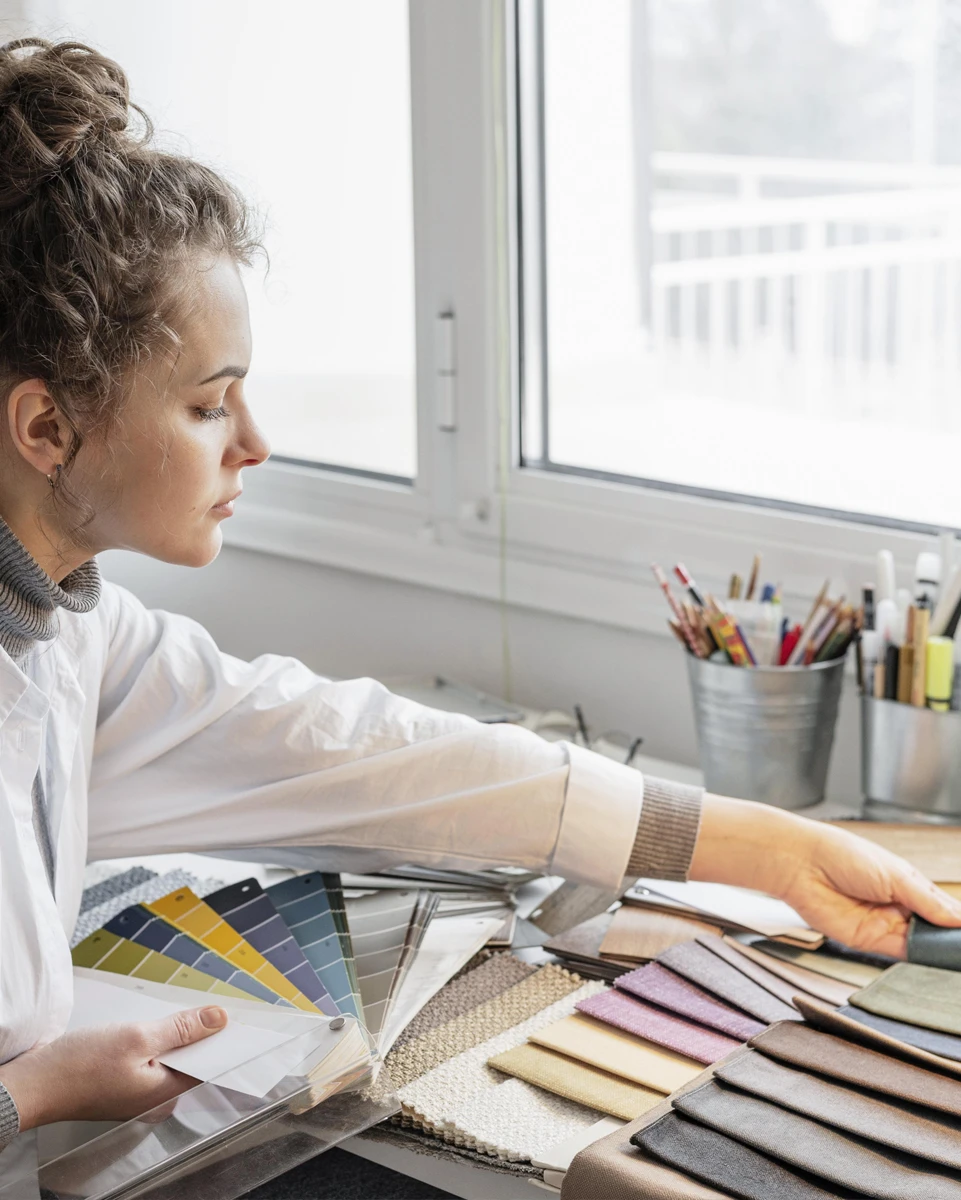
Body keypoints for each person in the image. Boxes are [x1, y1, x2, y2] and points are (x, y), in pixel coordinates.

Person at [0, 36, 959, 1155]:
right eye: (212, 406)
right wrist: (35, 1096)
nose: (256, 445)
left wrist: (759, 847)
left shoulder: (71, 630)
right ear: (46, 429)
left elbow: (359, 754)